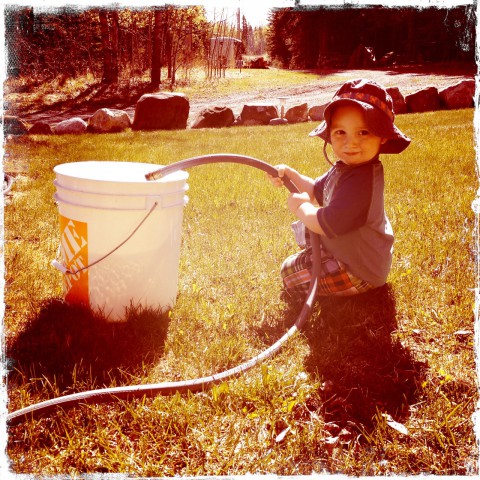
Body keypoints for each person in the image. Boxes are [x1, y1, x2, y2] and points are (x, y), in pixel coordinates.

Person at [267, 78, 411, 300]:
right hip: (350, 254)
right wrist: (290, 174)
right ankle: (325, 262)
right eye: (340, 133)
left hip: (359, 271)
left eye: (363, 132)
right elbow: (316, 190)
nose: (350, 143)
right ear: (330, 134)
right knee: (296, 263)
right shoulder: (345, 168)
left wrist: (302, 209)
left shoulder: (361, 181)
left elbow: (327, 223)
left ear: (382, 136)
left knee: (288, 274)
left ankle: (351, 285)